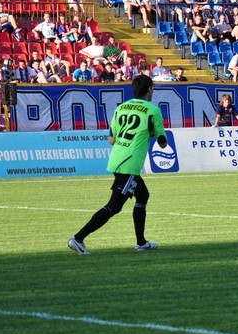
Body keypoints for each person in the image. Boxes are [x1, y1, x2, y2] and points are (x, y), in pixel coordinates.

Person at [68, 75, 166, 255]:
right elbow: (162, 142)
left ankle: (141, 242)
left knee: (143, 195)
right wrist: (150, 134)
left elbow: (111, 139)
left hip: (116, 159)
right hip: (129, 164)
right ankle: (78, 238)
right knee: (114, 206)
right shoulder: (153, 111)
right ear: (150, 89)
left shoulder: (120, 108)